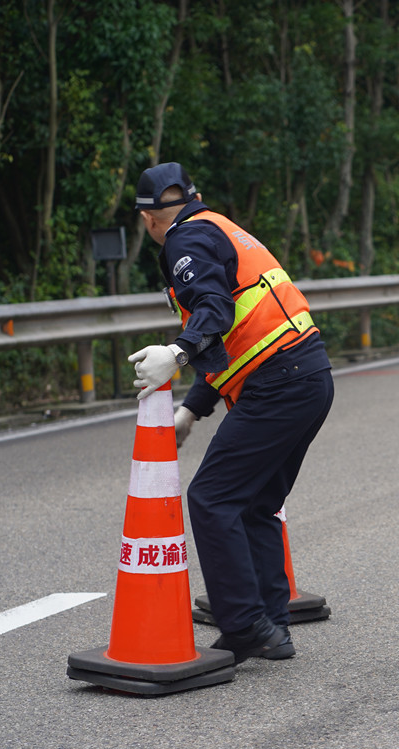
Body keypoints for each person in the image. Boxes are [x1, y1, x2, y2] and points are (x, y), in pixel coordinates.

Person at [127, 162, 334, 664]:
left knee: (213, 497)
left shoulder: (183, 242)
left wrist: (176, 353)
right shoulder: (222, 227)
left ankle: (245, 625)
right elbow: (241, 334)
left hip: (277, 385)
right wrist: (193, 410)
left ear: (149, 219)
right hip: (309, 378)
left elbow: (215, 309)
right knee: (256, 502)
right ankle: (271, 628)